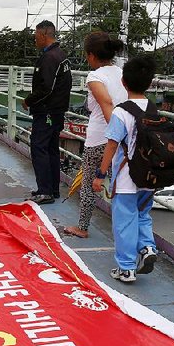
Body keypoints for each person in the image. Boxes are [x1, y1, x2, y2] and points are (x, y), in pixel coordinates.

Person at [92, 55, 159, 283]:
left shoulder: (121, 112)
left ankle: (126, 268)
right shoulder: (153, 109)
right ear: (149, 84)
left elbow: (112, 145)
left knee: (124, 223)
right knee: (143, 215)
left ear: (123, 83)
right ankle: (148, 248)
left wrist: (100, 175)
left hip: (126, 179)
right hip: (150, 178)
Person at [63, 33, 126, 238]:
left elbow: (106, 103)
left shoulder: (95, 76)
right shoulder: (122, 73)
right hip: (123, 138)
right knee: (120, 186)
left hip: (100, 138)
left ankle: (82, 227)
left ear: (91, 56)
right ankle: (124, 231)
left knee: (90, 183)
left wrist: (114, 133)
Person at [23, 20, 72, 204]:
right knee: (51, 149)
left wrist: (29, 100)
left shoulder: (50, 58)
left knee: (39, 147)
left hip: (47, 112)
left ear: (44, 34)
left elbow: (46, 88)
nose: (35, 39)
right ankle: (52, 189)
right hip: (57, 111)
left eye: (36, 35)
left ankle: (45, 190)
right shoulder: (61, 55)